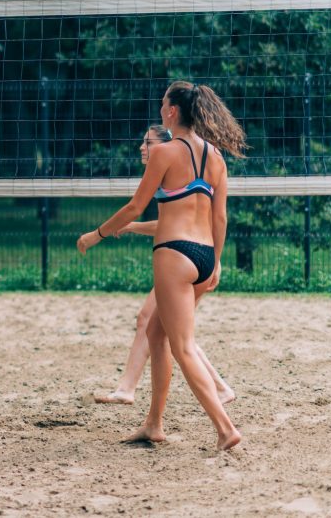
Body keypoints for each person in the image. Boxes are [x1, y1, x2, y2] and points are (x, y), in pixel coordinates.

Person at [78, 81, 246, 450]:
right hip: (203, 256)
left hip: (174, 253)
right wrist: (216, 261)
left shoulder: (165, 152)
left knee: (183, 347)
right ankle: (153, 424)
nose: (159, 110)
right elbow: (220, 218)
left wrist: (97, 234)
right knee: (157, 334)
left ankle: (225, 428)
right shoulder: (215, 157)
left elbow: (135, 207)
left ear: (172, 112)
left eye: (162, 105)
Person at [93, 125, 234, 406]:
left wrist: (99, 234)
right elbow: (167, 224)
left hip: (187, 259)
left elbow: (183, 225)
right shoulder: (175, 170)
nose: (142, 147)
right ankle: (128, 390)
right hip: (197, 256)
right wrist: (132, 227)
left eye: (148, 142)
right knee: (153, 323)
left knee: (172, 334)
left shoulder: (175, 164)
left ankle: (219, 398)